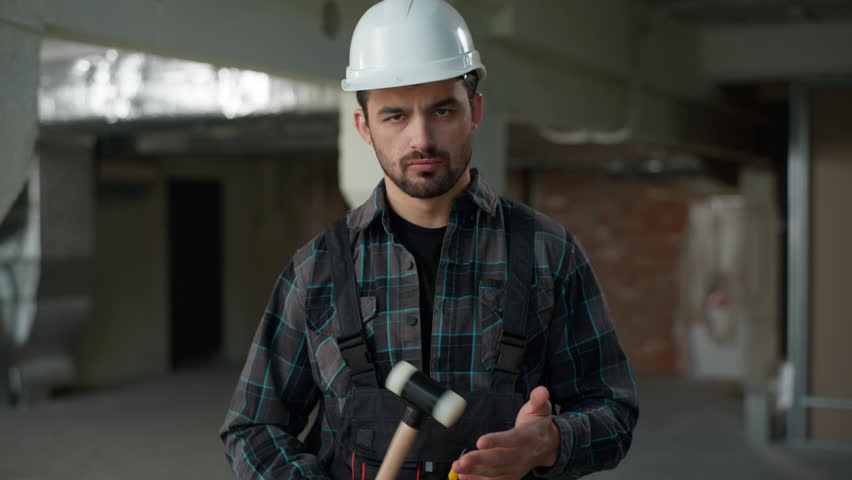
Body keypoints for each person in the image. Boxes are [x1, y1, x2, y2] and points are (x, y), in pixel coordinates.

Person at [220, 1, 638, 479]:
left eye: (442, 110)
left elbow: (614, 412)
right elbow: (252, 427)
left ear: (474, 111)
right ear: (365, 127)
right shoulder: (317, 268)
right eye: (395, 116)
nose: (421, 138)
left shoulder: (549, 253)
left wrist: (549, 442)